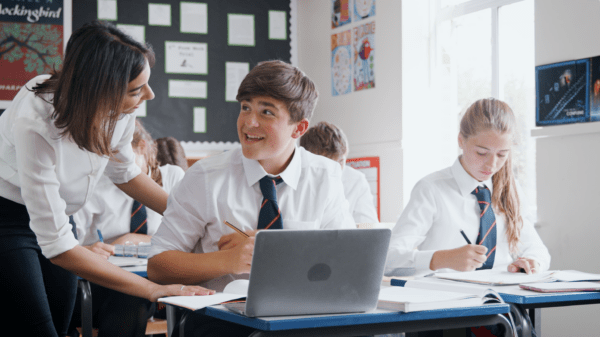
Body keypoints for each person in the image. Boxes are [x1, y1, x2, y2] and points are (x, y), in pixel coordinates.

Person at [0, 21, 211, 337]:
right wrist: (153, 290)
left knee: (62, 322)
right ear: (101, 90)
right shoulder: (36, 121)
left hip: (62, 217)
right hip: (10, 219)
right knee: (37, 329)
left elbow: (125, 174)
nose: (149, 95)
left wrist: (195, 219)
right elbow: (58, 246)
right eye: (136, 90)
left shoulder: (120, 111)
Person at [147, 60, 356, 336]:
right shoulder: (206, 177)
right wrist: (230, 260)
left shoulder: (324, 175)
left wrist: (280, 250)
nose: (248, 122)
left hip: (302, 315)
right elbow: (158, 266)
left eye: (266, 112)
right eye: (245, 107)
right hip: (223, 318)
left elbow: (348, 262)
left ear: (299, 128)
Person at [385, 98, 550, 337]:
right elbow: (389, 259)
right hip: (442, 317)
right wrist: (441, 259)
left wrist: (531, 263)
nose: (492, 164)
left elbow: (539, 251)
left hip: (501, 312)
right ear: (461, 140)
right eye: (482, 152)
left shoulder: (510, 190)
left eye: (502, 154)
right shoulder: (431, 189)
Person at [68, 119, 186, 337]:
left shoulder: (173, 178)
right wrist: (88, 249)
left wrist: (134, 238)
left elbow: (189, 237)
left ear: (141, 148)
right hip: (103, 283)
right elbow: (70, 247)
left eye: (116, 159)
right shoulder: (94, 187)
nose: (112, 170)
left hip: (158, 280)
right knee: (130, 298)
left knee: (139, 298)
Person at [300, 121, 379, 223]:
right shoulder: (293, 180)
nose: (334, 172)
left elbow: (369, 226)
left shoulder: (356, 181)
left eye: (340, 163)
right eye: (325, 166)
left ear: (345, 152)